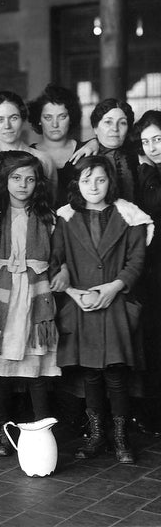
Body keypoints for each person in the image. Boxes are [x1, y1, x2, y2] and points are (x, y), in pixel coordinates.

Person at [50, 156, 152, 463]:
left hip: (115, 303)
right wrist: (72, 292)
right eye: (86, 180)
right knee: (91, 373)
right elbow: (56, 260)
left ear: (111, 181)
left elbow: (136, 261)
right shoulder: (65, 218)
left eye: (100, 180)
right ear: (76, 184)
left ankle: (120, 438)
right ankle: (96, 436)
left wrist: (113, 287)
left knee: (116, 374)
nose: (93, 186)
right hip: (81, 304)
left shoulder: (129, 215)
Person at [0, 151, 58, 456]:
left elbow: (57, 258)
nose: (23, 184)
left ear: (38, 183)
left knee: (34, 367)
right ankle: (2, 430)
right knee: (3, 369)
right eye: (16, 177)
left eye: (30, 178)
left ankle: (42, 431)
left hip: (35, 295)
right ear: (5, 181)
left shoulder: (48, 218)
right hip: (4, 298)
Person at [134, 110, 161, 433]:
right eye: (146, 142)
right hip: (154, 270)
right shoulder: (146, 174)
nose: (153, 147)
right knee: (155, 342)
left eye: (158, 139)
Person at [27, 84, 85, 206]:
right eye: (48, 118)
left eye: (62, 117)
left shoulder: (86, 151)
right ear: (39, 120)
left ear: (71, 118)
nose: (55, 124)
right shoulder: (28, 155)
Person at [89, 98, 139, 203]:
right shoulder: (84, 158)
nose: (115, 129)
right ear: (95, 128)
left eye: (122, 123)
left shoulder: (137, 158)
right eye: (108, 122)